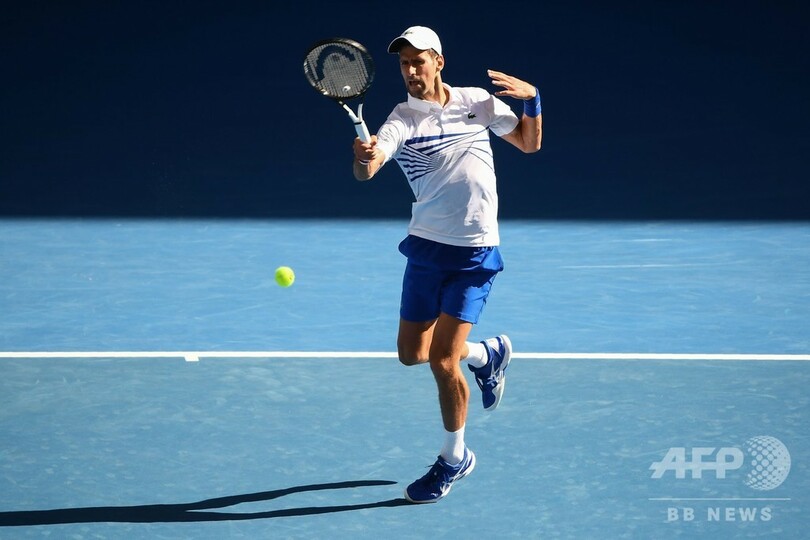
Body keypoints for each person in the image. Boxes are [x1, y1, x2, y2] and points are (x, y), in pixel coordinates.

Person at [352, 26, 542, 503]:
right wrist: (364, 157)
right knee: (411, 353)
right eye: (404, 64)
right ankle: (484, 355)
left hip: (475, 253)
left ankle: (454, 457)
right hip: (426, 249)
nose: (410, 71)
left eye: (418, 61)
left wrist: (533, 100)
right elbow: (369, 168)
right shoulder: (401, 119)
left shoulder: (477, 102)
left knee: (441, 359)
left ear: (439, 61)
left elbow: (528, 143)